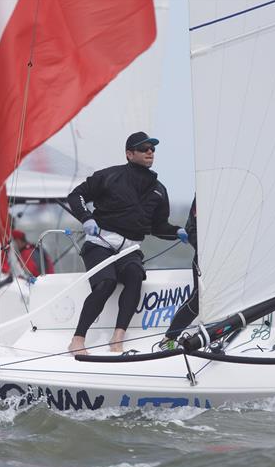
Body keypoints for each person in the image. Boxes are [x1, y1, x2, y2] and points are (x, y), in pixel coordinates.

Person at [66, 131, 188, 354]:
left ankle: (117, 338)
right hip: (100, 242)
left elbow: (158, 227)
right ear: (129, 154)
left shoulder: (159, 190)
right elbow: (76, 196)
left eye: (153, 149)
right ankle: (77, 339)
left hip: (130, 248)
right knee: (106, 283)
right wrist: (87, 218)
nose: (150, 152)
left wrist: (177, 232)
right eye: (144, 149)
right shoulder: (109, 176)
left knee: (134, 276)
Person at [157, 196, 198, 350]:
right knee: (198, 300)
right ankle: (168, 340)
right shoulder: (204, 194)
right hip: (208, 256)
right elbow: (191, 229)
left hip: (238, 257)